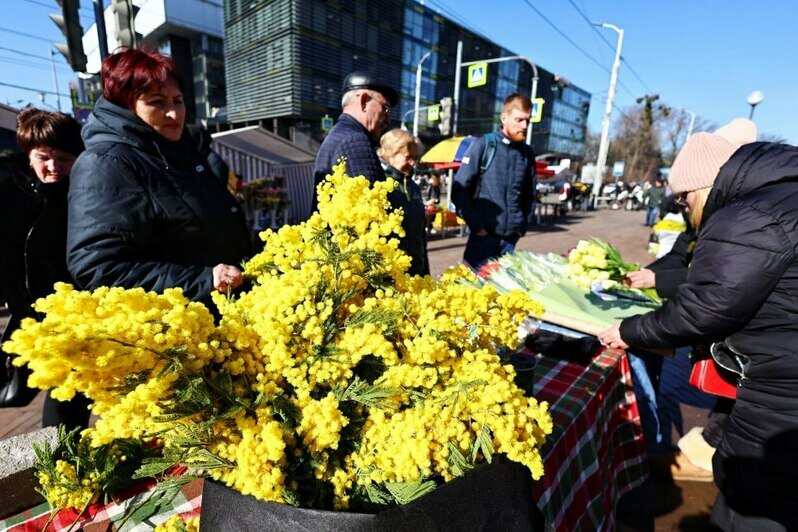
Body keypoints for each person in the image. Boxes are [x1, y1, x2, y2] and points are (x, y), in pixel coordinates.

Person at [598, 120, 798, 529]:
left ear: (697, 189)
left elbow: (703, 307)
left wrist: (627, 330)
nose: (683, 211)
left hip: (782, 392)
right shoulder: (779, 197)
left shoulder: (747, 215)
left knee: (756, 496)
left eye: (683, 201)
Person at [67, 48, 251, 306]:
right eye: (157, 102)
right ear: (126, 104)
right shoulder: (108, 163)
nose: (174, 113)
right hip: (176, 334)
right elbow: (100, 268)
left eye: (177, 100)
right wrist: (204, 279)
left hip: (221, 319)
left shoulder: (177, 150)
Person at [0, 108, 91, 430]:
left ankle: (66, 466)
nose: (53, 167)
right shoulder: (11, 192)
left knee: (67, 403)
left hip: (77, 319)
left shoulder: (86, 197)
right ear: (29, 156)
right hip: (28, 317)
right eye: (43, 157)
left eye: (63, 158)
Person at [451, 93, 536, 269]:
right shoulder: (485, 145)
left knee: (502, 294)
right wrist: (478, 227)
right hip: (483, 239)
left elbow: (529, 195)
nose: (525, 126)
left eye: (528, 121)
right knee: (474, 291)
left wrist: (521, 226)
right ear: (504, 117)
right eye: (519, 120)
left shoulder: (527, 154)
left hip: (510, 241)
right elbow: (459, 190)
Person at [312, 72, 398, 210]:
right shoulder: (355, 141)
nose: (388, 119)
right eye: (385, 108)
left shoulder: (338, 134)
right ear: (364, 101)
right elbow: (370, 215)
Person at [377, 129, 429, 276]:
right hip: (391, 273)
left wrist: (425, 271)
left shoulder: (413, 187)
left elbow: (420, 236)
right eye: (408, 157)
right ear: (390, 154)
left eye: (415, 158)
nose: (413, 163)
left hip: (416, 271)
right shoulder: (380, 183)